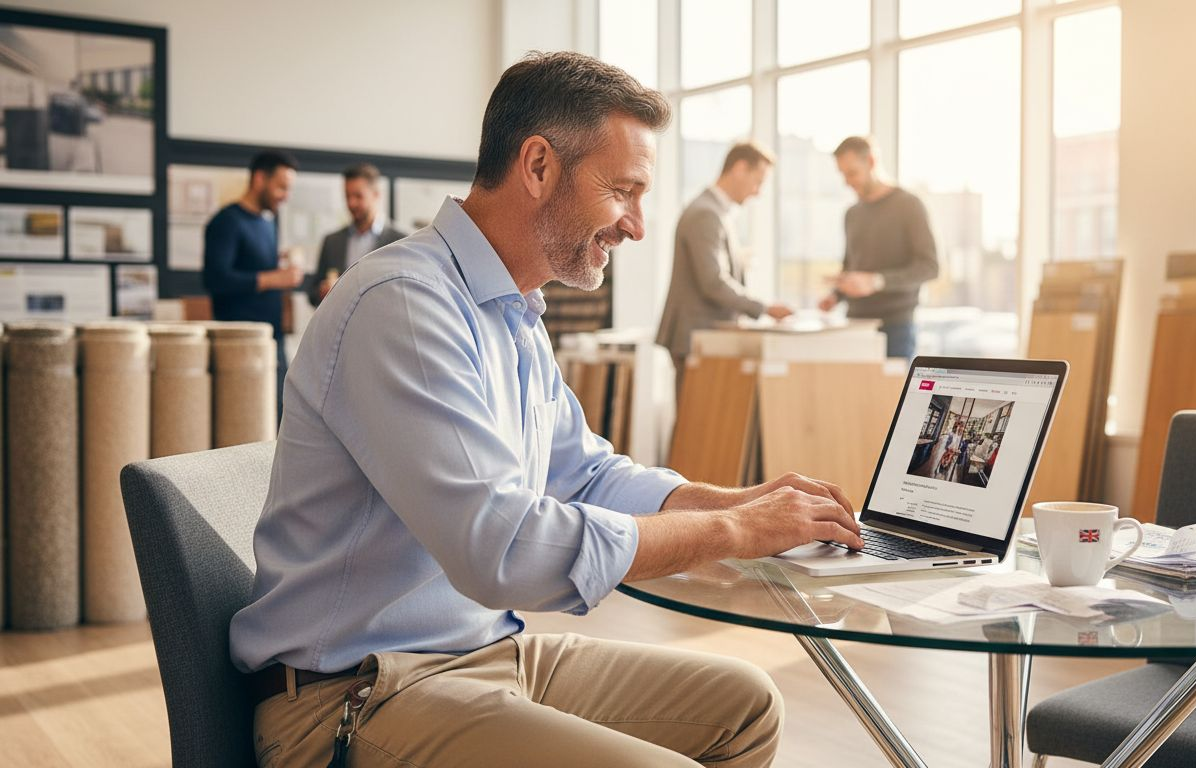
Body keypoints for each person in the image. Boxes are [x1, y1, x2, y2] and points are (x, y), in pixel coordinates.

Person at [229, 52, 863, 768]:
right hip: (356, 694)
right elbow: (502, 548)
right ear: (537, 166)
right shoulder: (402, 305)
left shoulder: (511, 313)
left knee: (745, 707)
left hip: (481, 654)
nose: (638, 226)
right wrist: (728, 530)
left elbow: (584, 473)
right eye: (624, 191)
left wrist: (737, 501)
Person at [656, 141, 792, 396]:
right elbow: (712, 282)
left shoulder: (715, 211)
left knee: (702, 424)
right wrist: (764, 308)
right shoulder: (706, 214)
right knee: (696, 425)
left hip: (701, 337)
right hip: (696, 337)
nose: (758, 192)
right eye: (758, 181)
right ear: (740, 168)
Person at [202, 149, 304, 417]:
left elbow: (253, 267)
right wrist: (276, 278)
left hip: (272, 339)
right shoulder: (226, 222)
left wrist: (281, 263)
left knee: (283, 417)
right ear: (260, 179)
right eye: (282, 187)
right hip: (239, 345)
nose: (286, 196)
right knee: (244, 422)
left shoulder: (267, 223)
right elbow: (215, 279)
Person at [819, 136, 939, 360]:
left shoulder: (909, 205)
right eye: (842, 174)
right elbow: (852, 265)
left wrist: (876, 281)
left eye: (852, 173)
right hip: (855, 324)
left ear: (871, 162)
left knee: (892, 395)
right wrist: (836, 295)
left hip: (895, 326)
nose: (847, 181)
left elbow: (929, 267)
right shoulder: (852, 214)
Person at [308, 162, 408, 306]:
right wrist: (322, 291)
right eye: (347, 196)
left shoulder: (401, 240)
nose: (351, 203)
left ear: (376, 195)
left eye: (358, 196)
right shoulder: (332, 241)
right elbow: (312, 295)